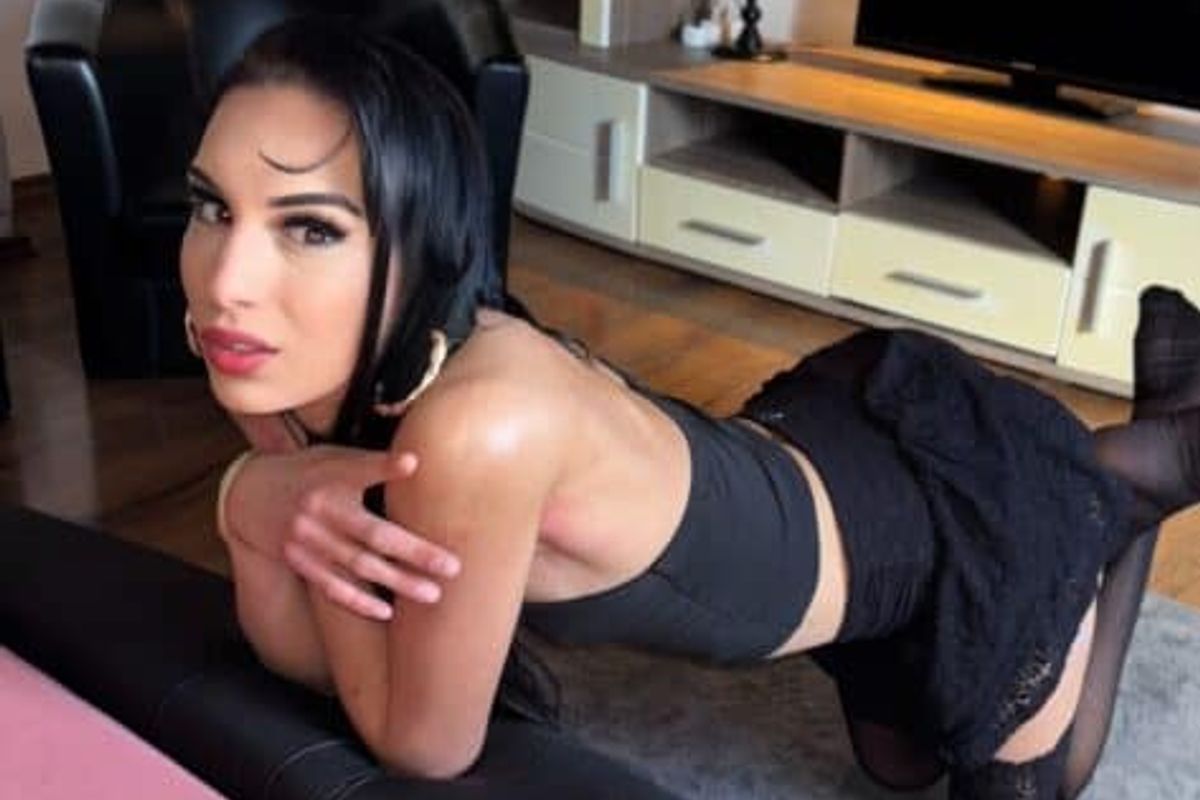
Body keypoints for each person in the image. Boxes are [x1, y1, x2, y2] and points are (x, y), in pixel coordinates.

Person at [187, 15, 1197, 798]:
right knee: (896, 766)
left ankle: (1133, 483)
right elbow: (311, 645)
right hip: (805, 447)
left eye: (310, 227)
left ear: (419, 237)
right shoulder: (295, 351)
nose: (225, 281)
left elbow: (423, 743)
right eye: (212, 206)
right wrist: (263, 494)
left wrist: (266, 490)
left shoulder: (477, 427)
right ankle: (1119, 476)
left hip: (906, 527)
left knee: (1043, 778)